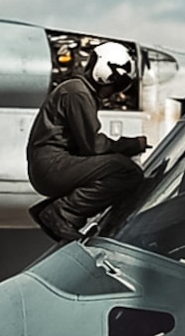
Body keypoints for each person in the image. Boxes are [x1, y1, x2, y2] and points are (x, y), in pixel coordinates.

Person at [27, 42, 149, 241]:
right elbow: (93, 146)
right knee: (125, 170)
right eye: (115, 85)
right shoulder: (78, 93)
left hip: (51, 165)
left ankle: (58, 211)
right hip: (52, 166)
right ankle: (62, 213)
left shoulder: (78, 90)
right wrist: (131, 145)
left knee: (118, 166)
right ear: (106, 74)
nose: (114, 92)